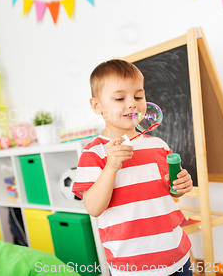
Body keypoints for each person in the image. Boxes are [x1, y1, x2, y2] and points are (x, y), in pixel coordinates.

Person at [72, 59, 193, 276]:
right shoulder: (93, 154)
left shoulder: (158, 145)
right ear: (96, 105)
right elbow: (93, 208)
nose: (132, 103)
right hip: (132, 265)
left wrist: (181, 185)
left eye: (138, 96)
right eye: (120, 98)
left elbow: (170, 194)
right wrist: (111, 167)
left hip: (177, 255)